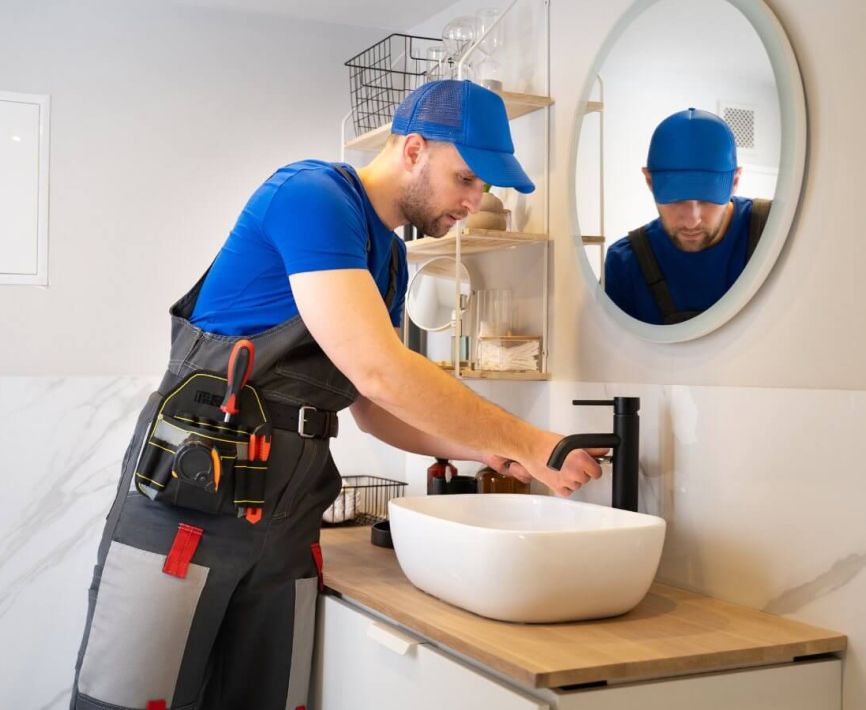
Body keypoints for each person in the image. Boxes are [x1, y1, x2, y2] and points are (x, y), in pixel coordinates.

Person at [70, 80, 605, 710]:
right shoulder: (311, 196)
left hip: (287, 523)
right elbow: (379, 370)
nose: (474, 200)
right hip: (190, 505)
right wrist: (531, 440)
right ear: (413, 150)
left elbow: (373, 409)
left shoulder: (391, 264)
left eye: (483, 187)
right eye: (466, 179)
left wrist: (482, 451)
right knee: (129, 701)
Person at [604, 108, 771, 325]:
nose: (692, 220)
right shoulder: (625, 263)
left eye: (707, 200)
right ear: (649, 182)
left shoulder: (776, 230)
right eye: (676, 200)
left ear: (735, 181)